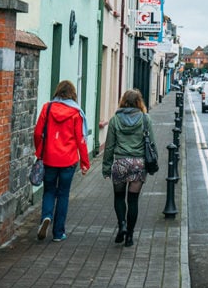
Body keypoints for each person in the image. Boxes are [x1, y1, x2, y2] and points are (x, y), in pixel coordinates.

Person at [33, 80, 90, 242]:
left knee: (49, 191)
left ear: (58, 92)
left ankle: (46, 217)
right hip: (68, 161)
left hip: (49, 158)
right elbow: (81, 139)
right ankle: (58, 233)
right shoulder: (76, 113)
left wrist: (40, 151)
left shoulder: (47, 107)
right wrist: (85, 162)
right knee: (63, 195)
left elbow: (37, 133)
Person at [102, 89, 158, 248]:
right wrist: (153, 164)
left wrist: (106, 168)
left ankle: (122, 225)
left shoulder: (115, 120)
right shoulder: (146, 120)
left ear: (123, 101)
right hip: (138, 165)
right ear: (139, 102)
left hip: (120, 164)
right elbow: (152, 144)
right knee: (133, 200)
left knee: (119, 197)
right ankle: (130, 237)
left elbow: (109, 147)